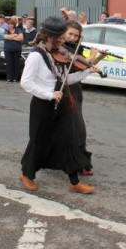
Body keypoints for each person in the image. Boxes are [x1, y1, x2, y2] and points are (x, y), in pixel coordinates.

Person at [19, 16, 97, 194]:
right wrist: (48, 94)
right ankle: (26, 174)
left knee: (67, 140)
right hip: (42, 105)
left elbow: (66, 79)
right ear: (49, 37)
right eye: (60, 38)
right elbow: (26, 82)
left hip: (59, 102)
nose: (63, 41)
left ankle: (74, 181)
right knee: (38, 140)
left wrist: (85, 72)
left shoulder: (57, 54)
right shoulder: (36, 56)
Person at [64, 20, 107, 176]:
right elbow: (79, 63)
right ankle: (76, 162)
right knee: (73, 128)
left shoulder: (77, 48)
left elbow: (83, 66)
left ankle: (78, 161)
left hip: (75, 90)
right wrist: (90, 57)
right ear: (63, 32)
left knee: (77, 129)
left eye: (76, 36)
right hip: (63, 89)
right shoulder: (61, 48)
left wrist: (99, 58)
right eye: (70, 34)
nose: (72, 38)